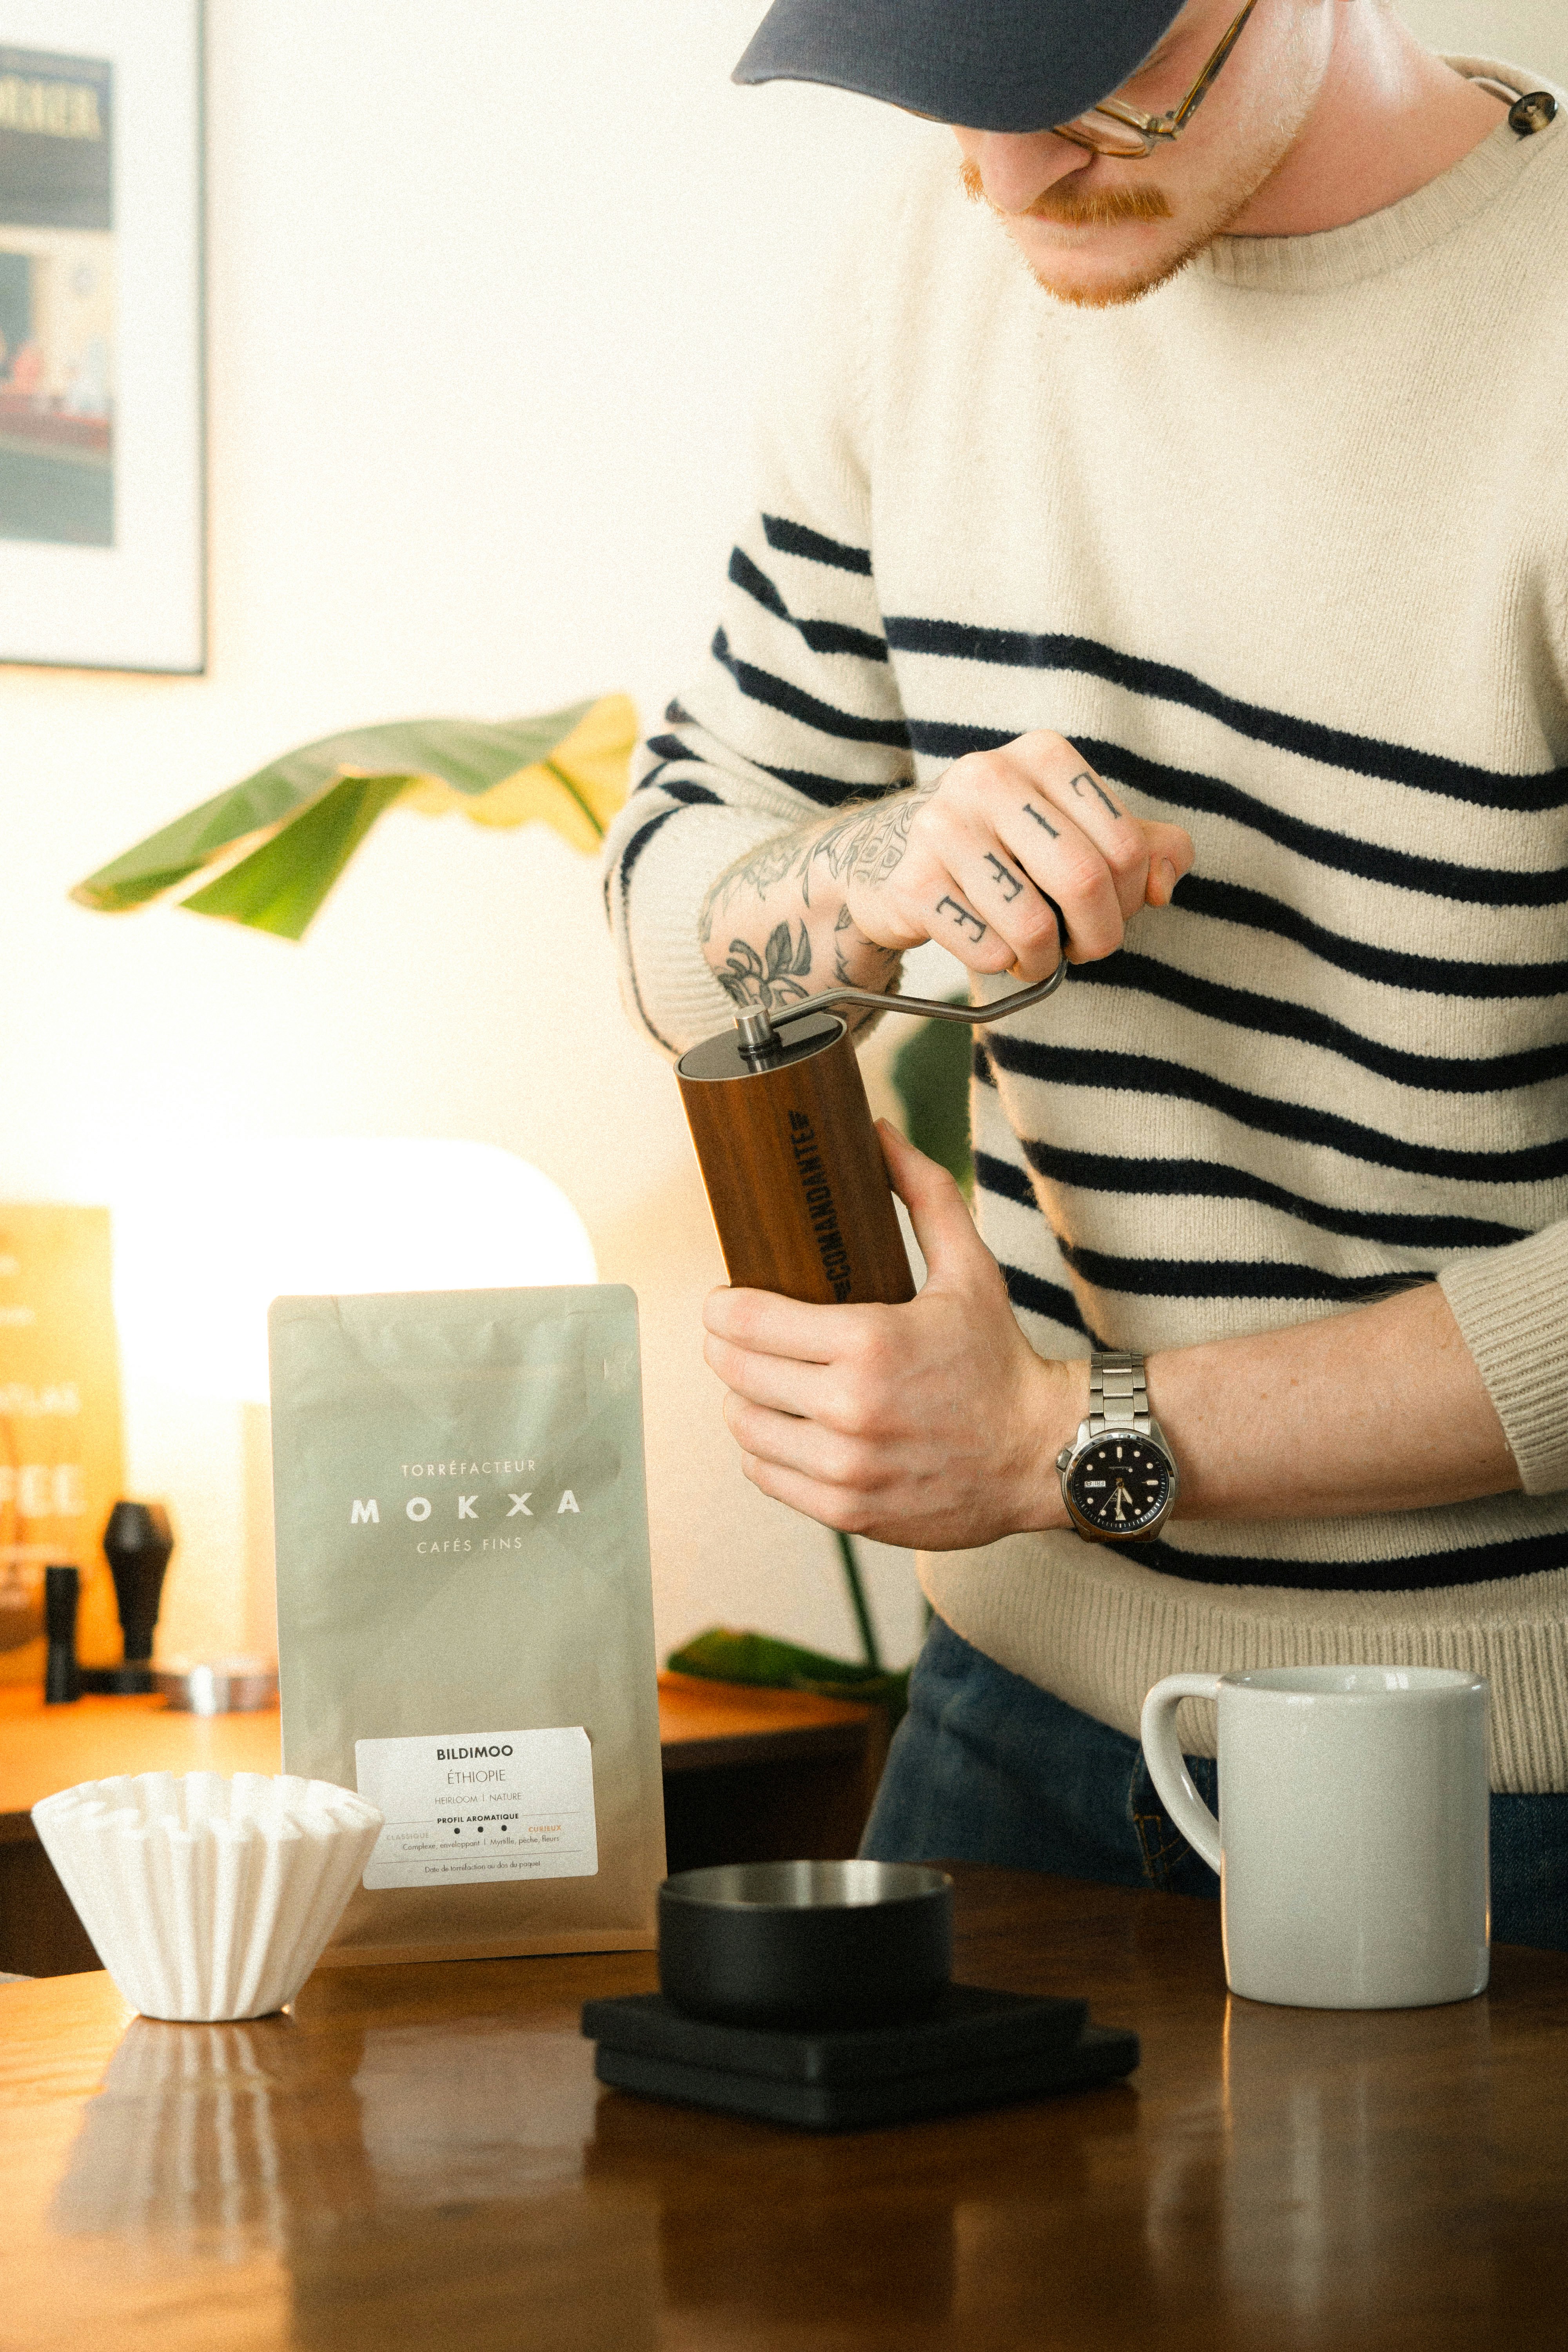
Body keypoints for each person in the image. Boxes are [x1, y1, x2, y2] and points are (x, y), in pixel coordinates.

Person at [603, 0, 1568, 1947]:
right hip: (1009, 1710)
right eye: (950, 98)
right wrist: (876, 862)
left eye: (1099, 89)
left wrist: (1061, 1441)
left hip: (1495, 1768)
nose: (1009, 174)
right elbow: (674, 886)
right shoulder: (919, 268)